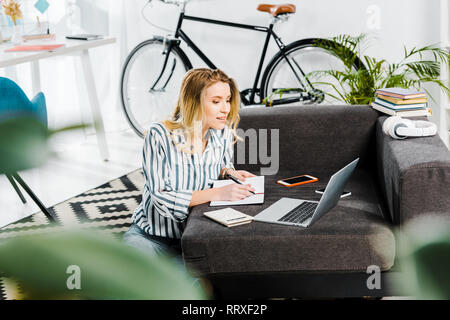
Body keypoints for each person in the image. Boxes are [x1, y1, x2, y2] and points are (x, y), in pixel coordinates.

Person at [123, 68, 256, 272]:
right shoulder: (159, 135)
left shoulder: (221, 133)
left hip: (193, 242)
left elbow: (218, 164)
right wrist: (217, 193)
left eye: (227, 100)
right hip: (150, 237)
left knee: (191, 292)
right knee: (129, 285)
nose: (225, 109)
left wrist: (229, 173)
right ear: (194, 102)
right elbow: (161, 195)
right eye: (216, 101)